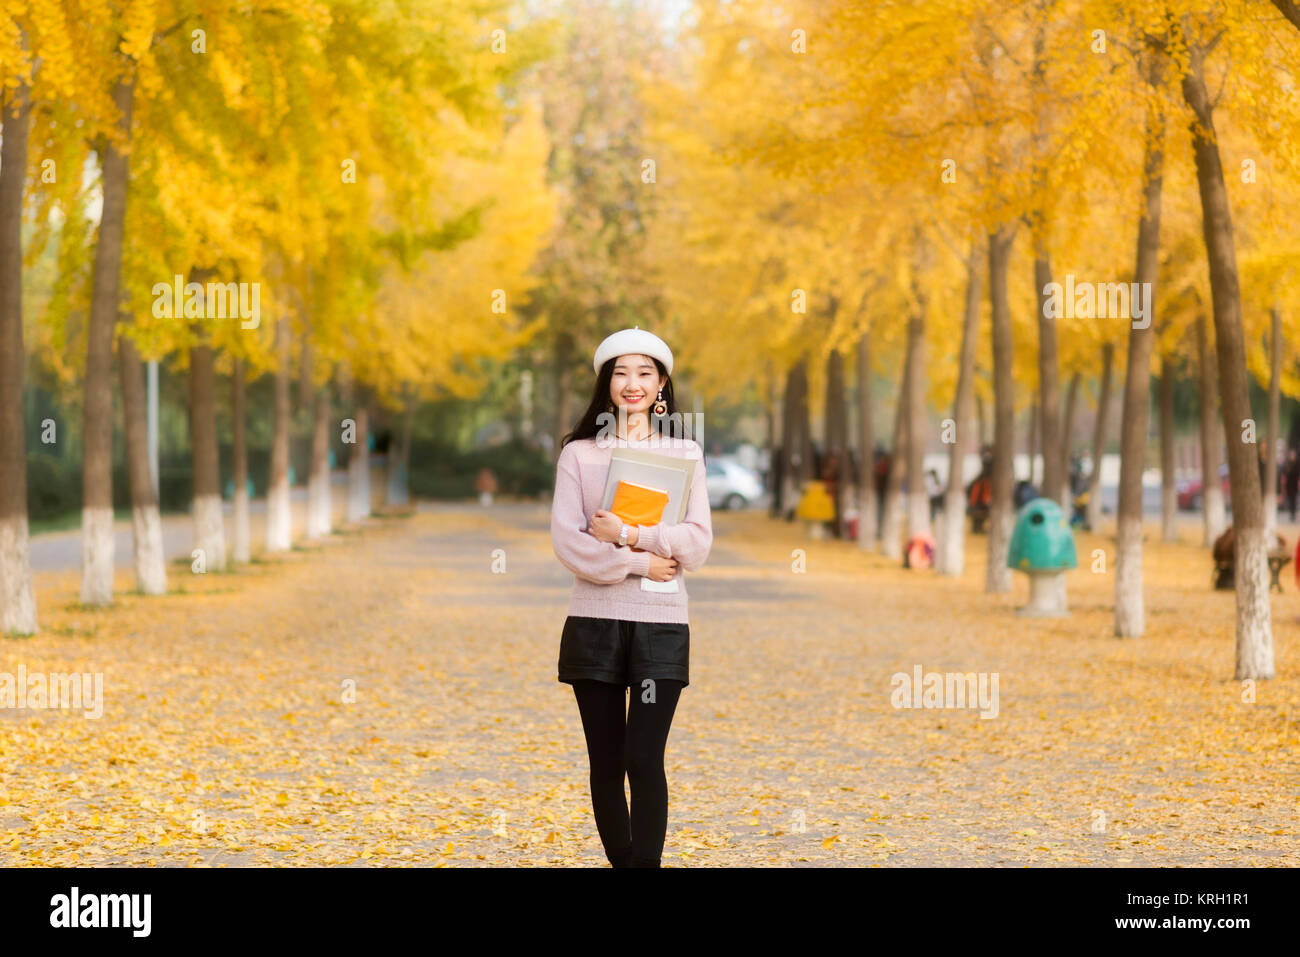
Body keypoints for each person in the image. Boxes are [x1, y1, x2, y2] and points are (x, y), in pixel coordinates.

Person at [550, 326, 713, 868]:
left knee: (643, 758)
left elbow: (697, 543)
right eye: (620, 372)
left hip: (661, 624)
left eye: (644, 372)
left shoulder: (684, 451)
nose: (632, 383)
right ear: (606, 383)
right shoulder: (578, 455)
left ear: (662, 383)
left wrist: (629, 533)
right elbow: (569, 543)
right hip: (594, 624)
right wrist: (642, 562)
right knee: (606, 760)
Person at [1283, 448, 1299, 521]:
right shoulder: (1288, 464)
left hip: (1294, 485)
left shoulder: (1296, 465)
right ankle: (1291, 513)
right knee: (1290, 499)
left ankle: (1293, 513)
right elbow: (1285, 474)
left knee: (1294, 500)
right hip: (1289, 486)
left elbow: (1297, 474)